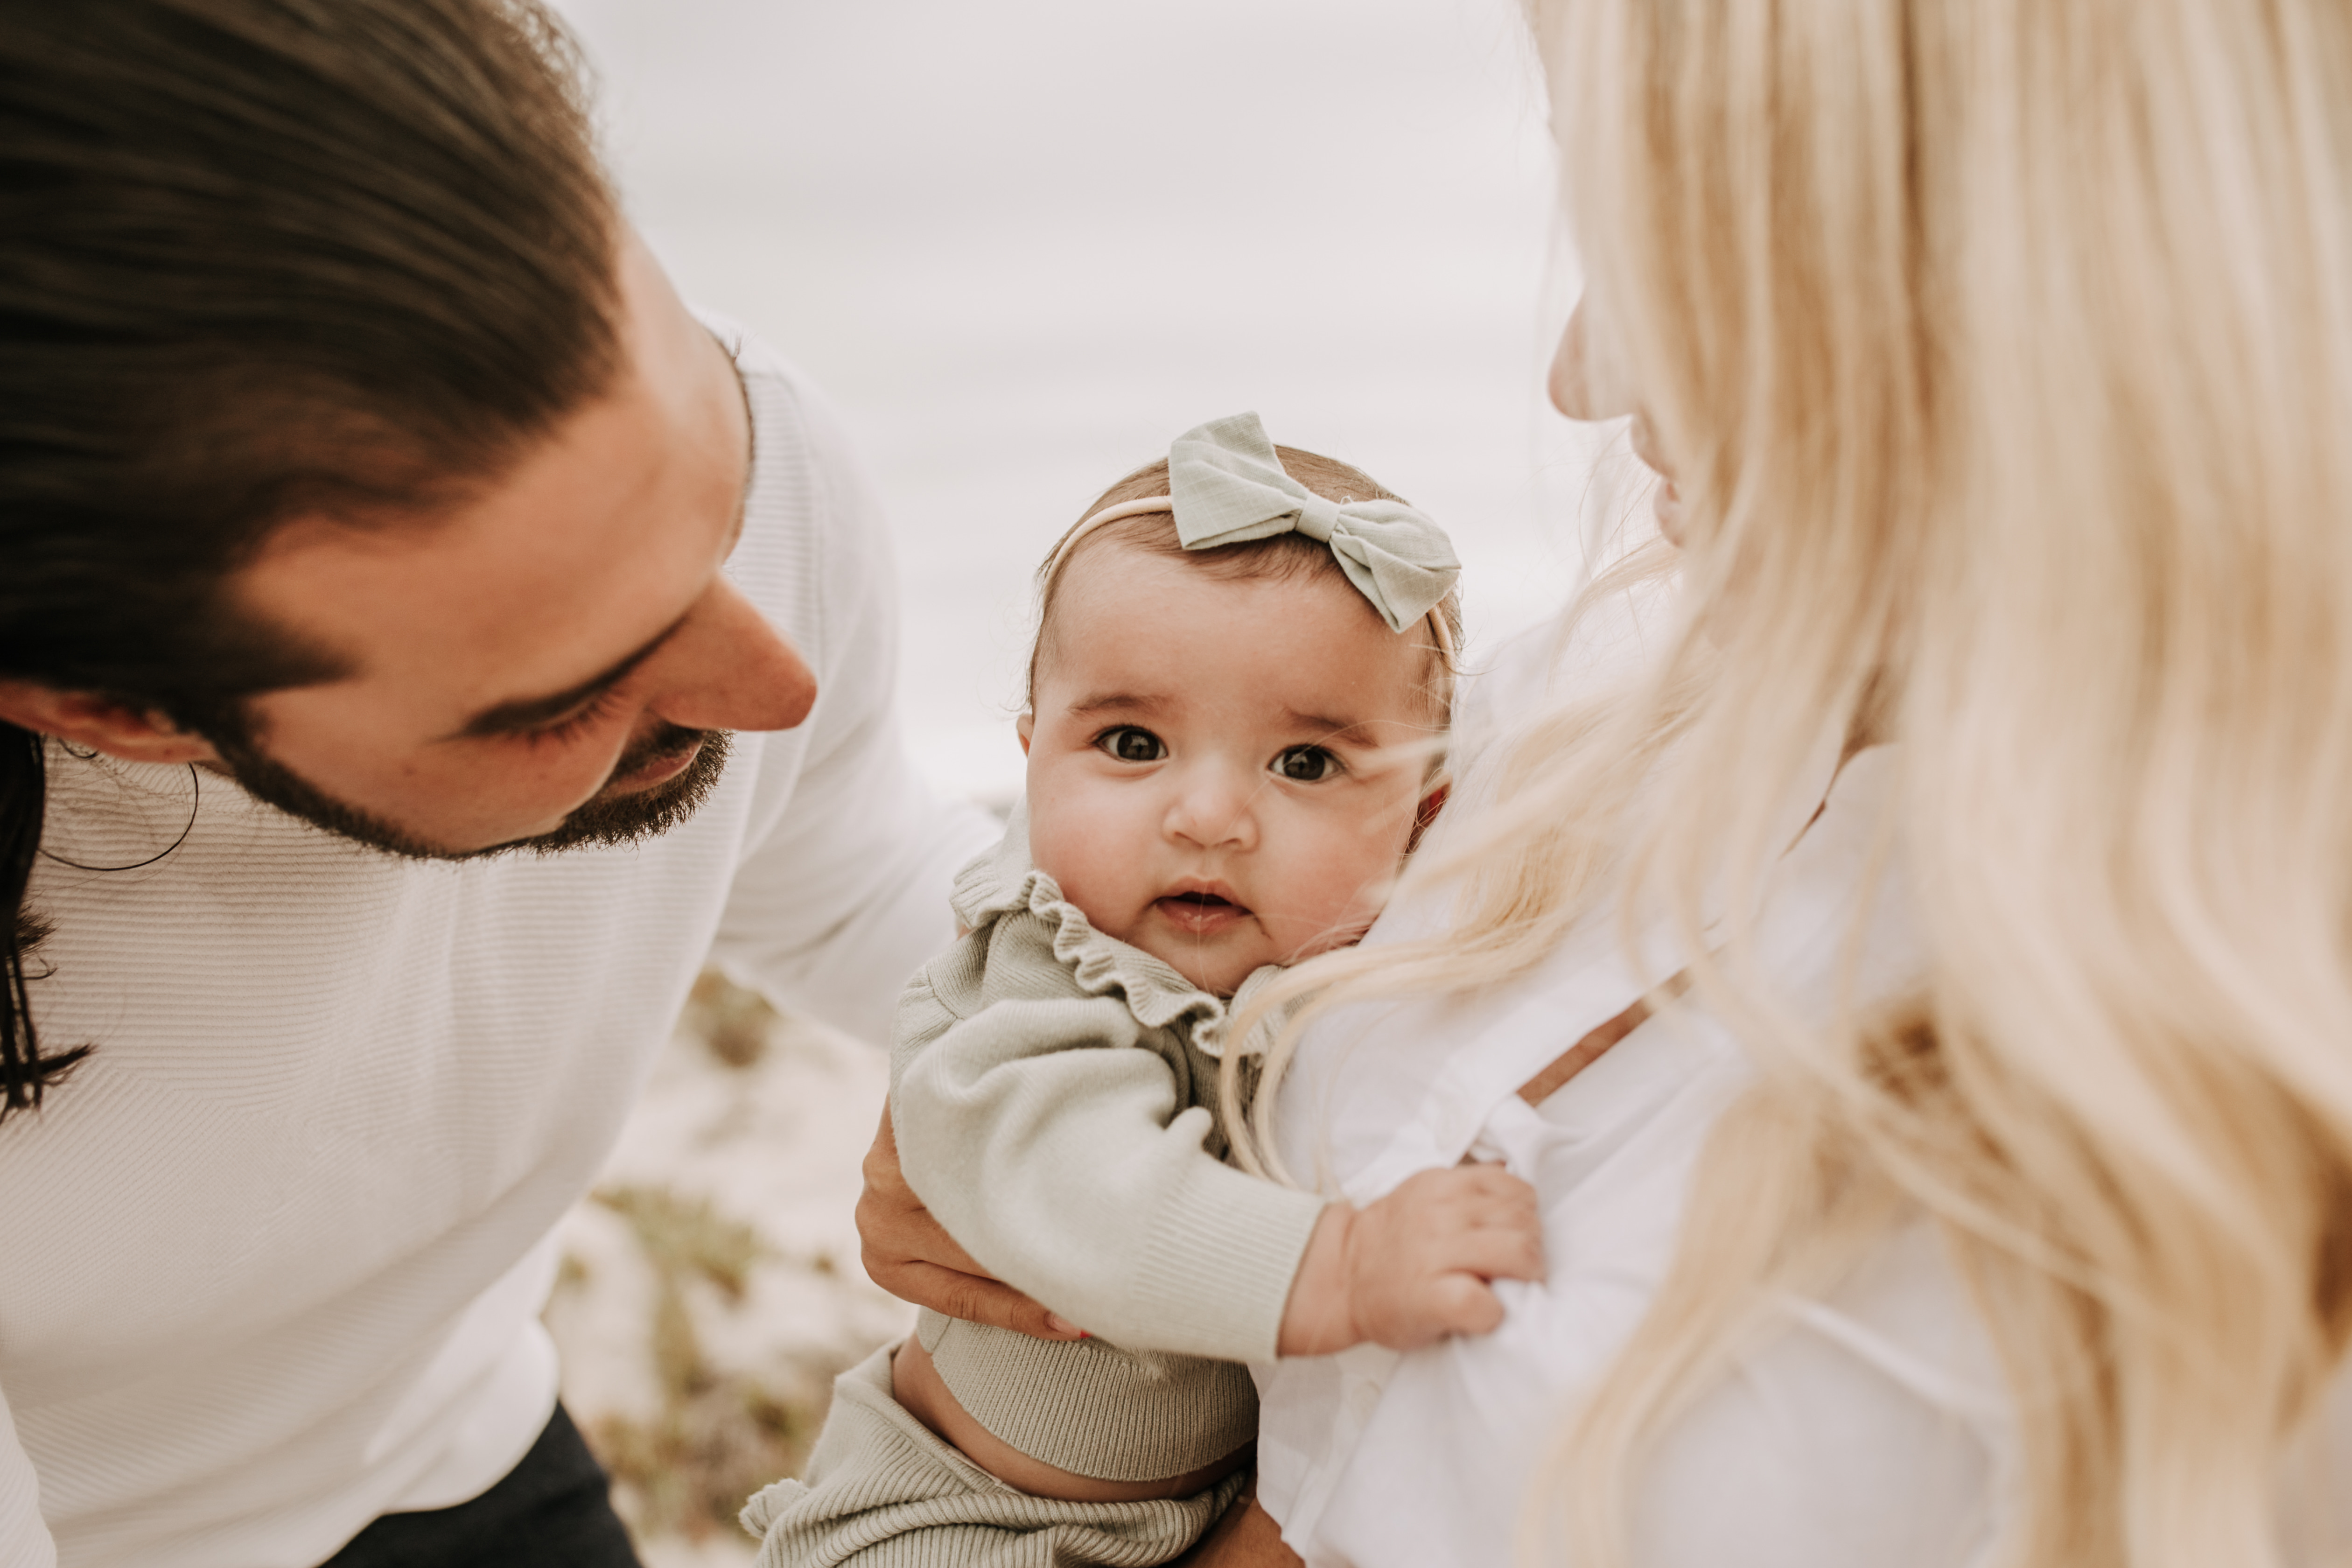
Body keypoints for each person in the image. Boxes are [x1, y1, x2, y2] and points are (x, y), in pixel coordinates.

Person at [868, 0, 2352, 1565]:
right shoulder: (1579, 691)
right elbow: (1068, 1061)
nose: (1579, 374)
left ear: (1974, 264)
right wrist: (1026, 1161)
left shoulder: (2221, 1073)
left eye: (1666, 232)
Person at [0, 3, 994, 1565]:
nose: (769, 683)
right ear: (113, 710)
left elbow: (855, 872)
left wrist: (1139, 1056)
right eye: (567, 692)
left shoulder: (765, 441)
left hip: (456, 1460)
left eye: (720, 511)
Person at [742, 414, 1543, 1567]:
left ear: (1424, 818)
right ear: (1030, 759)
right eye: (1130, 744)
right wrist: (1347, 1266)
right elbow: (1095, 1200)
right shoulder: (1027, 986)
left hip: (1196, 1514)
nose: (1206, 816)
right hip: (965, 1519)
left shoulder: (1339, 970)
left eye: (1306, 764)